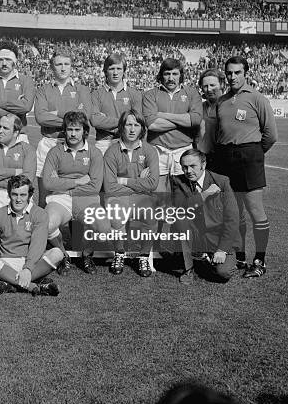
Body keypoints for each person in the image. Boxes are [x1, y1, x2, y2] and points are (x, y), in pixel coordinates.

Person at [214, 56, 278, 278]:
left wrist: (254, 155)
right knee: (234, 212)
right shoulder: (221, 101)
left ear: (245, 73)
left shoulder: (257, 98)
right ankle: (239, 257)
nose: (232, 77)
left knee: (255, 210)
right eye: (229, 73)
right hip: (225, 159)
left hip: (249, 158)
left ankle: (259, 261)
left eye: (237, 72)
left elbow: (271, 135)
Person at [41, 111, 103, 274]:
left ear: (85, 131)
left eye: (77, 129)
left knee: (102, 225)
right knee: (47, 224)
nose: (73, 133)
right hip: (61, 199)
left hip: (86, 197)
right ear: (65, 131)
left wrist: (62, 184)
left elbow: (95, 186)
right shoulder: (55, 152)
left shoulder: (94, 152)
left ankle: (87, 255)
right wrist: (76, 181)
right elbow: (47, 183)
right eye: (69, 129)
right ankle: (63, 254)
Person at [0, 175, 63, 295]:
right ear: (9, 194)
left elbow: (38, 245)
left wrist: (27, 268)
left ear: (30, 195)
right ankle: (32, 286)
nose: (18, 199)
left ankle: (9, 281)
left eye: (23, 195)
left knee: (57, 253)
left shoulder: (40, 214)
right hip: (6, 262)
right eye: (15, 194)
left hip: (31, 262)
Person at [101, 110, 159, 277]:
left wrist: (124, 181)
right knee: (116, 214)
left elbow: (153, 184)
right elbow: (110, 187)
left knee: (150, 214)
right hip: (117, 197)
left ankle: (143, 256)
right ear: (121, 127)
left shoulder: (150, 151)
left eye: (136, 125)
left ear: (142, 128)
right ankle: (119, 253)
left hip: (141, 197)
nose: (132, 129)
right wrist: (140, 183)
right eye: (128, 125)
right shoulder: (112, 151)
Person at [171, 149, 240, 284]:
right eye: (184, 167)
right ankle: (188, 267)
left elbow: (232, 218)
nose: (188, 171)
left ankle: (205, 257)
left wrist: (222, 249)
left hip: (217, 237)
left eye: (193, 166)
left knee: (223, 272)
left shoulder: (222, 181)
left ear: (203, 165)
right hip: (195, 234)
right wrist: (205, 194)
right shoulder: (178, 181)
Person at [34, 48, 91, 204]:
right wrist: (72, 118)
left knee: (75, 194)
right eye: (59, 64)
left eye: (66, 64)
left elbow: (85, 117)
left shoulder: (82, 90)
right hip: (48, 143)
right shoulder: (43, 90)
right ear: (52, 66)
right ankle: (45, 226)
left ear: (72, 66)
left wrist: (55, 113)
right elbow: (40, 117)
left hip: (74, 146)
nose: (63, 68)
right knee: (44, 195)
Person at [142, 58, 203, 193]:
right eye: (167, 74)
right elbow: (151, 124)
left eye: (175, 74)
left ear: (180, 75)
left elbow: (195, 120)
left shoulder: (191, 93)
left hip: (184, 151)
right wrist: (184, 121)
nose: (171, 78)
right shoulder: (150, 94)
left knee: (184, 196)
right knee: (158, 197)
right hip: (157, 151)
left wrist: (162, 115)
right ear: (161, 75)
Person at [90, 52, 143, 155]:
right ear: (105, 71)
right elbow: (95, 120)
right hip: (103, 143)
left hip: (128, 142)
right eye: (111, 69)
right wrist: (126, 121)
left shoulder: (134, 94)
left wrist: (106, 120)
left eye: (119, 69)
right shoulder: (96, 94)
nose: (115, 73)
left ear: (124, 71)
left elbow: (137, 121)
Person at [197, 68, 226, 168]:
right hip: (202, 159)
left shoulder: (230, 106)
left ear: (222, 85)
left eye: (212, 85)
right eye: (205, 86)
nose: (209, 89)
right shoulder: (199, 107)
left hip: (224, 159)